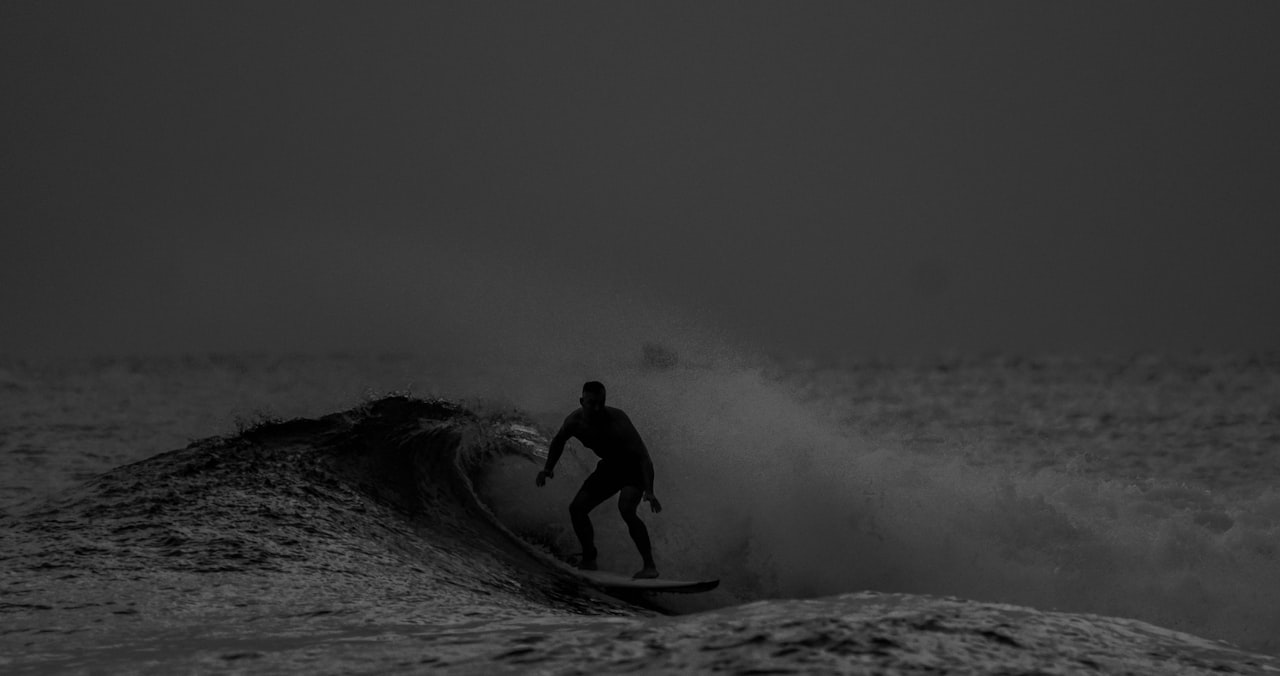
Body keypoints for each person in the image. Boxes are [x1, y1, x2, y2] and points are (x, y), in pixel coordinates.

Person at [536, 381, 662, 579]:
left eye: (600, 403)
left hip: (633, 470)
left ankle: (649, 566)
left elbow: (643, 457)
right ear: (581, 401)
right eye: (592, 403)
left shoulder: (617, 419)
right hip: (609, 469)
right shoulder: (574, 422)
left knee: (626, 509)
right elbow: (559, 440)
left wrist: (650, 490)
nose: (597, 408)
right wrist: (548, 468)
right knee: (577, 509)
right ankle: (589, 558)